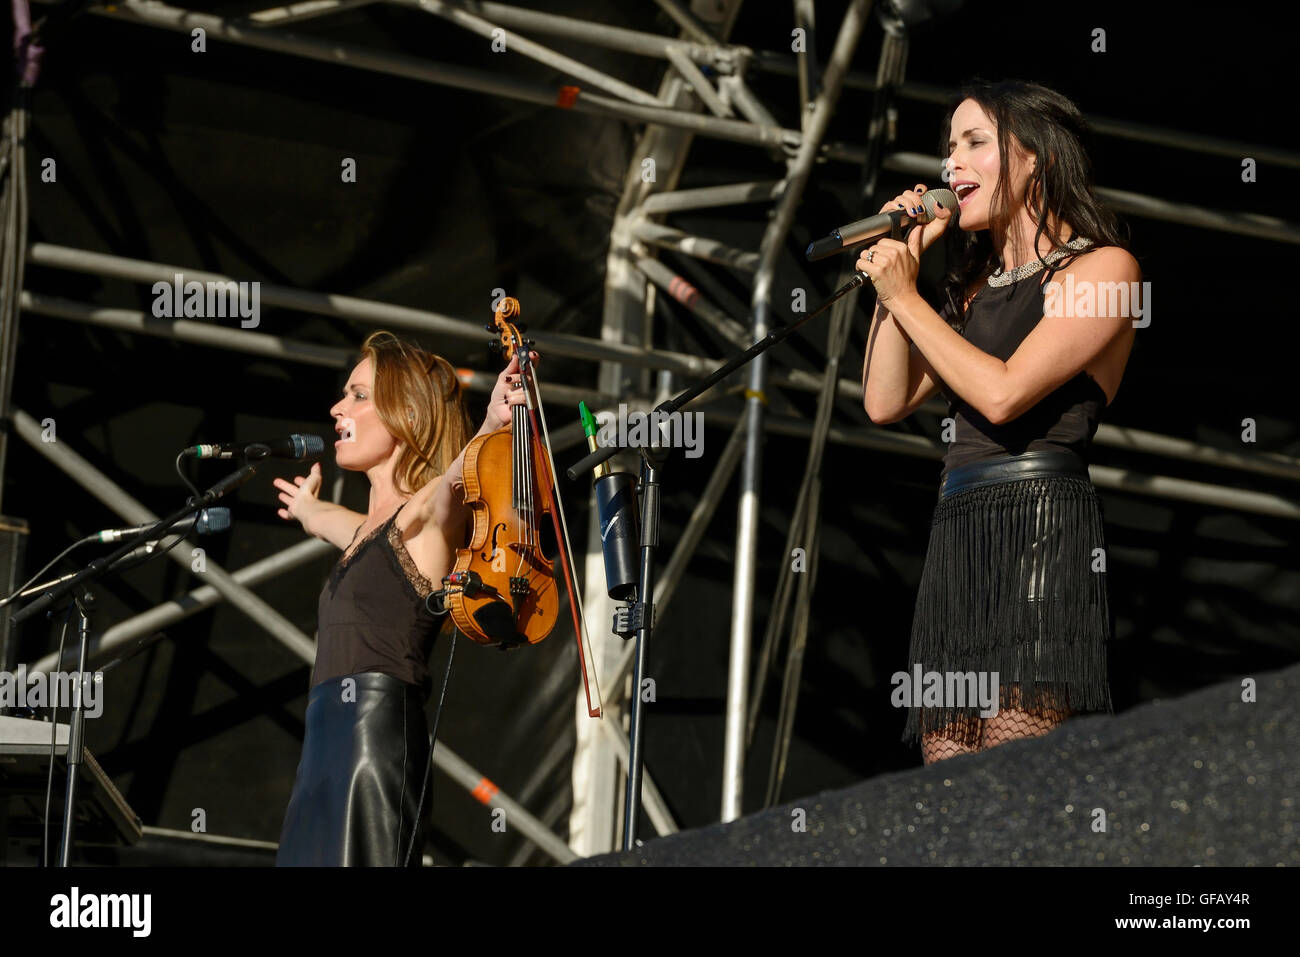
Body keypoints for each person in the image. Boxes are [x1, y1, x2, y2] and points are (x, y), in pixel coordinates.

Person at [858, 79, 1140, 765]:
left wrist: (905, 296)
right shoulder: (972, 291)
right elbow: (883, 400)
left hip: (1038, 527)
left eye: (974, 143)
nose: (951, 165)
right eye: (948, 147)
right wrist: (907, 276)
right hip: (960, 531)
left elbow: (1004, 395)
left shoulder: (1103, 269)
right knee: (948, 789)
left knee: (1013, 781)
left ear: (1033, 157)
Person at [272, 329, 536, 864]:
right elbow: (335, 522)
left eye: (359, 395)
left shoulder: (421, 519)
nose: (337, 407)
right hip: (321, 752)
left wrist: (489, 425)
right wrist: (306, 508)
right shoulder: (368, 534)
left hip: (372, 742)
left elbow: (454, 486)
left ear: (408, 418)